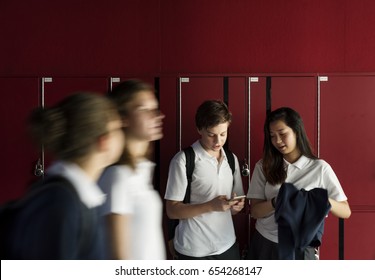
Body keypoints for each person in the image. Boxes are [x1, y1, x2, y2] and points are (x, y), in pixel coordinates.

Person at [7, 92, 125, 259]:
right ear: (103, 141)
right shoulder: (61, 203)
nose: (123, 135)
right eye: (117, 128)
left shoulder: (77, 198)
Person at [247, 107, 351, 260]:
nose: (278, 141)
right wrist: (277, 202)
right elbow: (254, 212)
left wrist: (321, 199)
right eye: (272, 136)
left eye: (282, 134)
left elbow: (346, 211)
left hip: (301, 247)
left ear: (296, 130)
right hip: (266, 243)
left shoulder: (320, 168)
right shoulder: (263, 166)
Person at [164, 100, 245, 260]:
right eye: (211, 135)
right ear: (199, 129)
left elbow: (236, 205)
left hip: (227, 246)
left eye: (223, 134)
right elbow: (172, 211)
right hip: (193, 250)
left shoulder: (231, 158)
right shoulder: (183, 160)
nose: (218, 142)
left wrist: (237, 206)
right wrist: (210, 206)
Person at [98, 79, 166, 260]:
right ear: (124, 118)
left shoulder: (139, 172)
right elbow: (118, 261)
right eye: (144, 110)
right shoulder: (118, 176)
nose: (157, 115)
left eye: (155, 109)